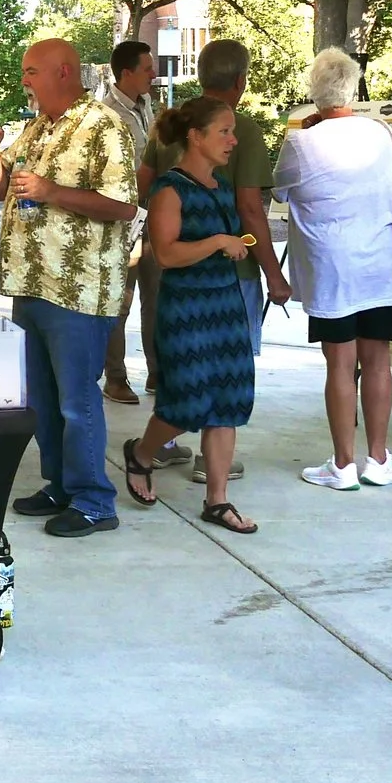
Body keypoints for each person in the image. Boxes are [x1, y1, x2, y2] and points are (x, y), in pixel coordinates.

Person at [0, 37, 140, 538]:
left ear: (63, 72)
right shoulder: (37, 127)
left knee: (76, 401)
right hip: (30, 284)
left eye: (31, 71)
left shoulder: (103, 126)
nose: (24, 79)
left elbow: (124, 206)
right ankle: (61, 486)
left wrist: (51, 192)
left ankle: (94, 502)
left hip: (78, 289)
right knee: (42, 400)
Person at [143, 37, 289, 482]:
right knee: (213, 370)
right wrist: (273, 273)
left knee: (186, 368)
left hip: (174, 274)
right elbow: (250, 208)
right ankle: (198, 459)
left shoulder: (175, 121)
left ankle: (169, 449)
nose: (228, 140)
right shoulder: (240, 128)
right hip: (220, 273)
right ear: (241, 81)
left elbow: (141, 183)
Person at [273, 46, 392, 491]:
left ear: (313, 93)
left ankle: (342, 464)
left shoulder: (300, 141)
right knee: (378, 360)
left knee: (339, 364)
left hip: (330, 267)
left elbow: (279, 191)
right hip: (379, 263)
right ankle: (378, 458)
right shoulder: (382, 134)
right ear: (353, 89)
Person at [120, 96, 259, 533]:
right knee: (187, 402)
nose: (232, 140)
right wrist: (218, 242)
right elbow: (165, 254)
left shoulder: (222, 186)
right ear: (195, 137)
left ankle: (217, 500)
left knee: (228, 400)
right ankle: (142, 453)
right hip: (186, 308)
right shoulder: (169, 189)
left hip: (225, 305)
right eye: (224, 132)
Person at [100, 38, 164, 411]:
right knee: (120, 301)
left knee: (156, 296)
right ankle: (115, 377)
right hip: (123, 219)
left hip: (154, 216)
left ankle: (157, 372)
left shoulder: (145, 106)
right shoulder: (107, 114)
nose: (153, 74)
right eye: (147, 68)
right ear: (126, 73)